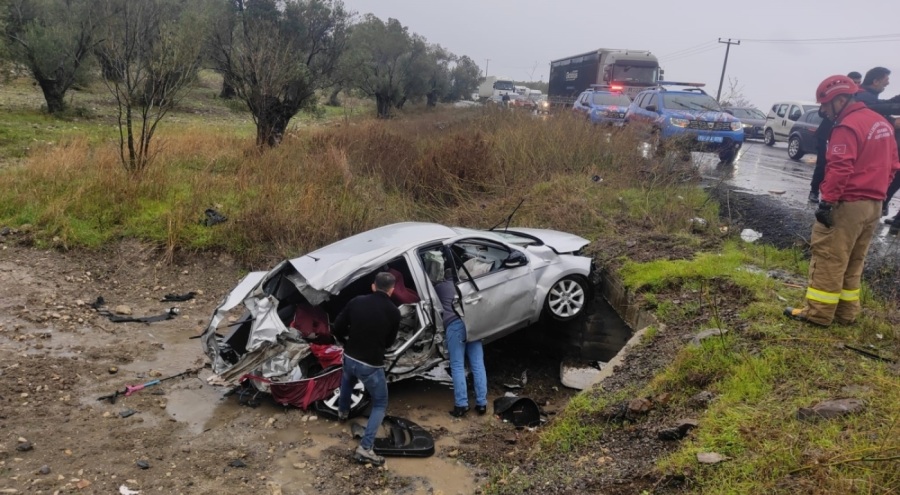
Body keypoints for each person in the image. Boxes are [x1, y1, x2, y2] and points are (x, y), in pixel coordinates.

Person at [785, 75, 900, 326]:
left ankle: (818, 314)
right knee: (854, 260)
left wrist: (827, 202)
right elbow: (893, 166)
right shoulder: (881, 123)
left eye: (825, 105)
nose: (824, 111)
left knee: (829, 256)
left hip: (848, 204)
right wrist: (880, 193)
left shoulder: (847, 126)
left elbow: (839, 168)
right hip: (873, 205)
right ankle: (846, 313)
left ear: (839, 100)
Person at [332, 272, 401, 466]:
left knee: (347, 380)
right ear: (392, 290)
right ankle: (365, 448)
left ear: (373, 286)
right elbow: (389, 343)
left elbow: (337, 327)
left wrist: (349, 340)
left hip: (349, 357)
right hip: (370, 365)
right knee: (380, 403)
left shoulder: (356, 302)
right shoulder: (394, 312)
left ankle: (342, 413)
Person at [425, 253, 488, 418]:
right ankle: (482, 404)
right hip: (473, 324)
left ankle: (461, 405)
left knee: (457, 365)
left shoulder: (440, 287)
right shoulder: (467, 285)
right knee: (477, 364)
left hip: (454, 325)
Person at [809, 72, 863, 202]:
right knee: (823, 164)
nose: (856, 84)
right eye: (854, 81)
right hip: (826, 135)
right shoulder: (835, 97)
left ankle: (832, 195)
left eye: (858, 82)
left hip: (844, 135)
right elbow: (822, 112)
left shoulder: (858, 99)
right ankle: (814, 190)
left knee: (840, 165)